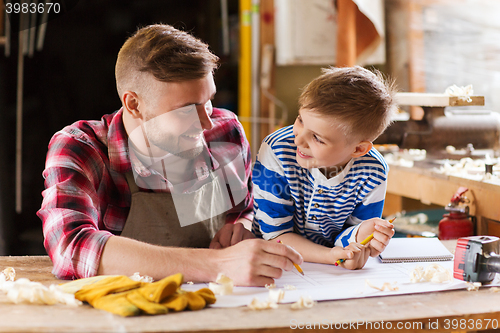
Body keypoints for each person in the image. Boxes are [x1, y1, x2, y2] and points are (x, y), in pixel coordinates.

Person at [37, 24, 302, 286]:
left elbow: (245, 209)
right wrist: (217, 265)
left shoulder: (225, 131)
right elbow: (71, 248)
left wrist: (241, 228)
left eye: (208, 101)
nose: (207, 124)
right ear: (134, 104)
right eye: (187, 109)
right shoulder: (81, 147)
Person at [252, 66, 396, 270]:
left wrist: (361, 238)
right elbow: (275, 236)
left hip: (327, 272)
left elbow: (351, 237)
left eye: (317, 138)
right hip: (275, 263)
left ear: (358, 149)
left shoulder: (373, 171)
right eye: (301, 120)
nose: (299, 140)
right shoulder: (276, 150)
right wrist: (330, 255)